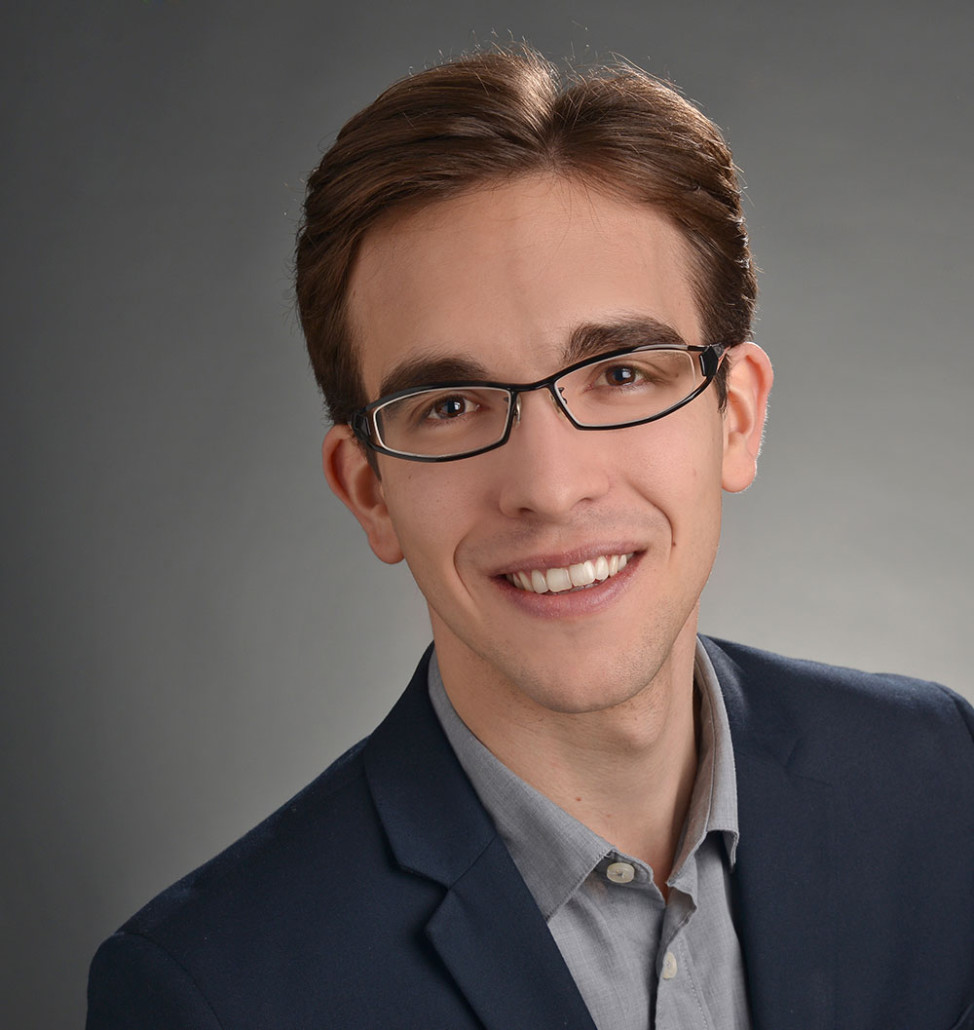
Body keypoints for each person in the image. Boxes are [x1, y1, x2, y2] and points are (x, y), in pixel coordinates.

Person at [86, 48, 974, 1030]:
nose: (549, 488)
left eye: (621, 374)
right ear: (369, 491)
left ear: (735, 416)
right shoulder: (214, 992)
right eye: (450, 405)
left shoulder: (939, 780)